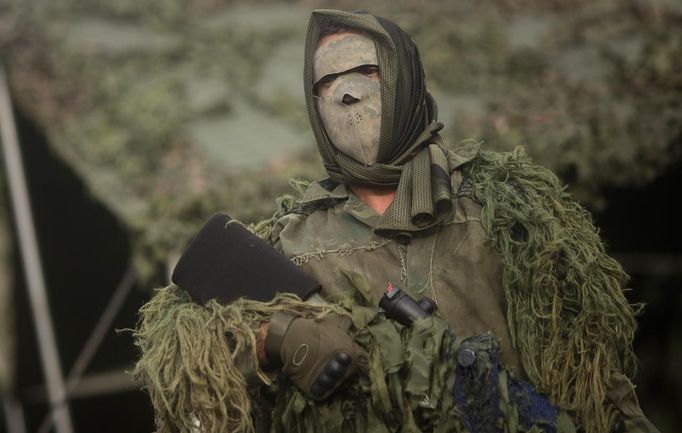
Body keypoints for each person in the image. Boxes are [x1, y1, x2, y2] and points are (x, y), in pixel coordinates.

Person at [133, 9, 658, 433]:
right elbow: (193, 381)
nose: (346, 91)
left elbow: (596, 383)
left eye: (365, 71)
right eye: (327, 81)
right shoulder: (290, 243)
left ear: (404, 77)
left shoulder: (511, 211)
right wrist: (275, 339)